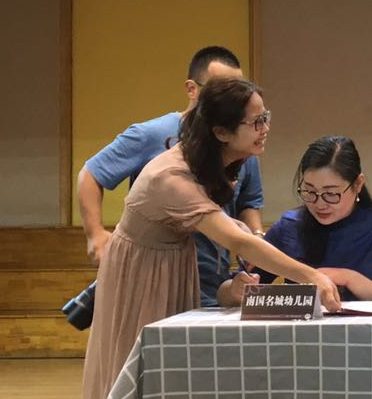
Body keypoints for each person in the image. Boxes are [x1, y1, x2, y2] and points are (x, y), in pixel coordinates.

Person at [77, 78, 340, 399]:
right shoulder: (170, 177)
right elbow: (236, 240)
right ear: (220, 131)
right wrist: (310, 275)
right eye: (256, 122)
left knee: (171, 386)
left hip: (170, 266)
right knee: (138, 383)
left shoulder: (212, 161)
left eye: (265, 117)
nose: (265, 128)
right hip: (141, 277)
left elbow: (232, 226)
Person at [77, 45, 264, 308]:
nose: (230, 100)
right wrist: (95, 234)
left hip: (213, 280)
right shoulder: (152, 135)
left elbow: (248, 203)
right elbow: (91, 173)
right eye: (220, 89)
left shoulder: (241, 144)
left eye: (237, 90)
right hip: (155, 277)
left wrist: (255, 236)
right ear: (191, 89)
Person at [220, 136, 372, 304]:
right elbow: (224, 294)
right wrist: (235, 290)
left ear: (358, 184)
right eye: (309, 191)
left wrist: (348, 278)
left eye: (331, 194)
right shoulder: (289, 226)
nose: (319, 204)